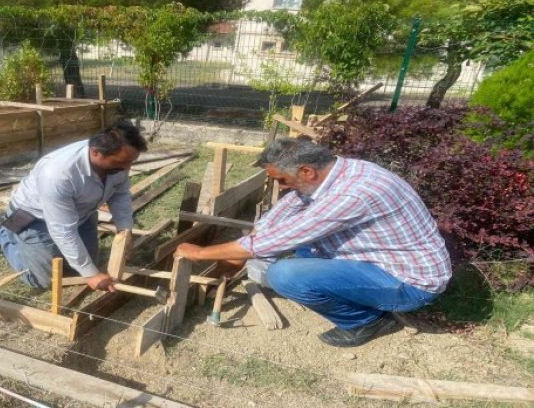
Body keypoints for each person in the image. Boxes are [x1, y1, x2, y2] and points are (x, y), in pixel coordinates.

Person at [175, 138, 452, 347]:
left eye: (282, 180)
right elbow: (288, 210)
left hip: (410, 283)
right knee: (302, 251)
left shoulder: (352, 195)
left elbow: (282, 237)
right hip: (386, 262)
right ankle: (362, 301)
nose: (281, 188)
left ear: (306, 171)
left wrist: (200, 253)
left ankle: (367, 322)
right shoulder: (339, 172)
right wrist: (249, 242)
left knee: (285, 274)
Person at [0, 121, 148, 293]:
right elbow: (62, 230)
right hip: (35, 217)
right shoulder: (58, 174)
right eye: (122, 162)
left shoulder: (118, 162)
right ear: (96, 153)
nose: (127, 168)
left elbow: (119, 194)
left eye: (130, 162)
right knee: (46, 281)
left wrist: (125, 230)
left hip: (82, 211)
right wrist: (91, 275)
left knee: (79, 269)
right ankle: (3, 234)